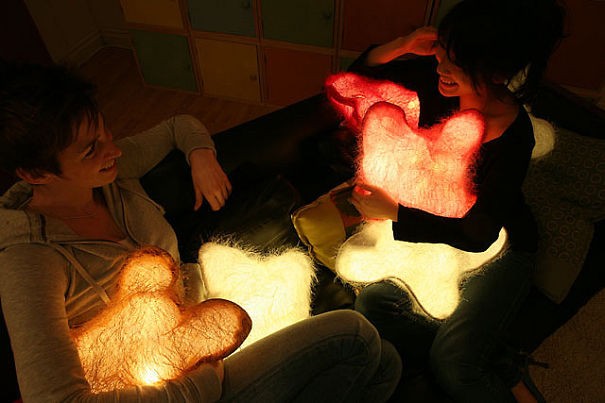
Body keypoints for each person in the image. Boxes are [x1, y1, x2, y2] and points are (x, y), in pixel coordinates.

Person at [0, 61, 402, 402]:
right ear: (35, 173)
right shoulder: (29, 261)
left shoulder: (111, 175)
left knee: (386, 365)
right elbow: (56, 399)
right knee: (355, 336)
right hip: (177, 386)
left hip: (204, 324)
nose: (114, 149)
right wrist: (202, 382)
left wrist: (201, 156)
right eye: (91, 149)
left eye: (105, 131)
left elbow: (179, 125)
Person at [346, 0, 565, 402]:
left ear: (497, 73)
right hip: (440, 243)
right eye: (442, 53)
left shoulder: (514, 137)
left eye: (456, 62)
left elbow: (479, 233)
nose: (441, 68)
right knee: (373, 304)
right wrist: (405, 43)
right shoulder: (440, 87)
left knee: (453, 363)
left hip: (501, 247)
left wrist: (394, 212)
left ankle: (491, 358)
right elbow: (357, 77)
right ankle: (493, 350)